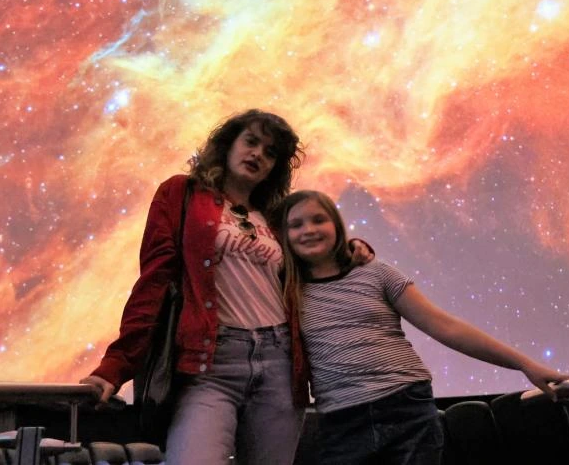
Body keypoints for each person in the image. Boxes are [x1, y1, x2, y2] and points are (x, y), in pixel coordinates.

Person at [81, 110, 369, 465]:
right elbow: (154, 282)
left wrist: (349, 248)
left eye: (270, 152)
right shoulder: (181, 193)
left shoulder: (276, 217)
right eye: (251, 141)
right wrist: (116, 364)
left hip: (279, 363)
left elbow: (314, 263)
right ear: (228, 144)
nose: (258, 154)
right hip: (211, 363)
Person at [275, 190, 569, 465]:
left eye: (319, 219)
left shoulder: (376, 272)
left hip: (405, 407)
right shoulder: (284, 289)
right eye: (296, 225)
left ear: (337, 225)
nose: (309, 230)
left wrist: (524, 364)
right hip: (341, 421)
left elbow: (444, 326)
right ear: (283, 236)